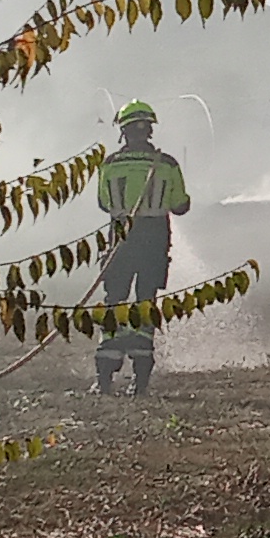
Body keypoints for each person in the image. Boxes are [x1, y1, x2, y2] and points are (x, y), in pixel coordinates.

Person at [93, 99, 192, 394]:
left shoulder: (109, 164)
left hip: (120, 238)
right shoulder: (168, 164)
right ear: (149, 129)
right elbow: (180, 206)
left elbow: (104, 203)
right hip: (155, 238)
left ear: (122, 132)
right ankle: (141, 381)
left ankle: (104, 380)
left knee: (115, 302)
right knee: (145, 304)